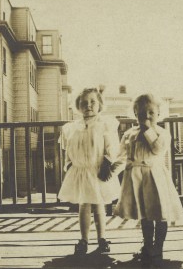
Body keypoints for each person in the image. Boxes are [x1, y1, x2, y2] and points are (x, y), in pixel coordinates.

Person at [112, 93, 183, 266]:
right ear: (135, 114)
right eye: (141, 113)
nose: (146, 116)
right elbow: (121, 156)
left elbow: (157, 150)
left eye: (151, 112)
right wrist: (110, 171)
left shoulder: (162, 133)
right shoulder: (129, 133)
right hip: (136, 177)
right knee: (144, 215)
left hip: (155, 177)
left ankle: (158, 247)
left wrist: (148, 131)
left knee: (159, 214)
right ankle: (148, 246)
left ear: (159, 114)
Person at [58, 87, 121, 255]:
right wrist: (69, 165)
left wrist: (107, 163)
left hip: (98, 169)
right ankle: (84, 239)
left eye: (93, 102)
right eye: (84, 103)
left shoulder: (105, 124)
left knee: (99, 204)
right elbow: (68, 149)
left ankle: (102, 238)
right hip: (81, 171)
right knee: (84, 204)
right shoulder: (72, 127)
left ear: (99, 104)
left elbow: (111, 147)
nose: (89, 106)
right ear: (79, 106)